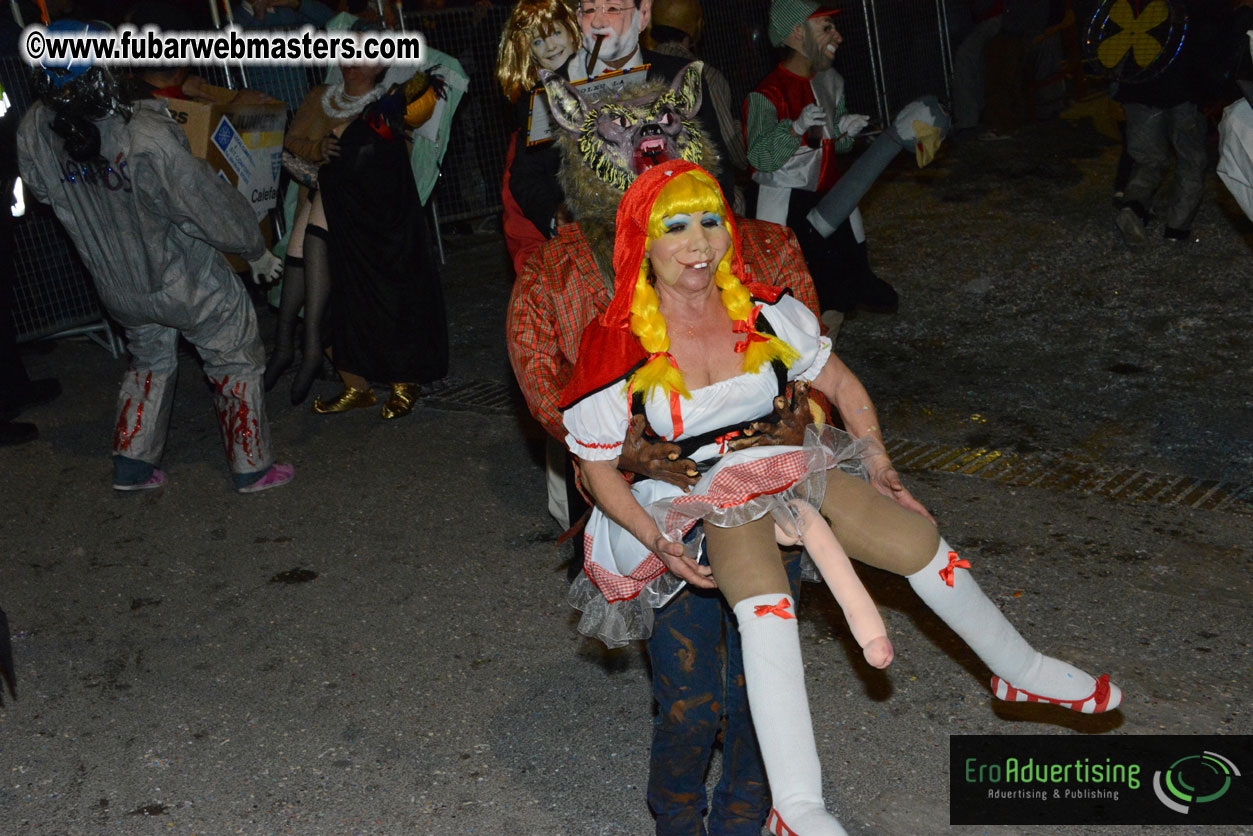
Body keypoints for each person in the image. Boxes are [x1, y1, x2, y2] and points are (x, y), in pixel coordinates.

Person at [562, 160, 1123, 836]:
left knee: (913, 540)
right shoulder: (616, 342)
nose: (698, 243)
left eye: (710, 222)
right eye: (674, 226)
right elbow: (596, 471)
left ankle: (1018, 669)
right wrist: (657, 540)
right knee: (715, 671)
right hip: (678, 499)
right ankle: (793, 808)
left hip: (780, 466)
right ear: (641, 244)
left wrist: (880, 462)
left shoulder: (765, 310)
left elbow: (846, 388)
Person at [508, 68, 834, 833]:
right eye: (620, 140)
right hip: (663, 516)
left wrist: (799, 419)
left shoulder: (761, 248)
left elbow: (810, 364)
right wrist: (628, 452)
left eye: (661, 135)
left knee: (763, 680)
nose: (645, 151)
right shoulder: (556, 275)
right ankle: (676, 816)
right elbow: (544, 385)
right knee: (691, 695)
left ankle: (748, 814)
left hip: (762, 497)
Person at [16, 21, 294, 492]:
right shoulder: (144, 136)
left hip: (117, 284)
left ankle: (132, 464)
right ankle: (253, 466)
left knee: (148, 360)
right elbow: (203, 204)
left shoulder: (36, 128)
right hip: (181, 279)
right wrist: (255, 250)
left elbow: (44, 192)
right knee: (233, 354)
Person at [502, 0, 737, 258]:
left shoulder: (675, 76)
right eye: (591, 10)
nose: (600, 21)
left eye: (614, 9)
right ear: (579, 18)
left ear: (643, 15)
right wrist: (555, 214)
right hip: (595, 254)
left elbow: (718, 166)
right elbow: (526, 177)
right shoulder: (549, 95)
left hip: (684, 246)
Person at [745, 0, 896, 329]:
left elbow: (834, 145)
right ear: (798, 33)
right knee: (796, 298)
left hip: (828, 198)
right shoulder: (767, 93)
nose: (838, 36)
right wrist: (795, 130)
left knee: (836, 294)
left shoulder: (831, 81)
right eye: (826, 27)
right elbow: (758, 157)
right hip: (789, 206)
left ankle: (826, 361)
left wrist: (845, 131)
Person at [308, 70, 450, 418]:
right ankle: (355, 385)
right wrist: (324, 146)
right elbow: (317, 156)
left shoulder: (388, 141)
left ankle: (405, 382)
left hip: (384, 242)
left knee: (393, 309)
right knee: (332, 309)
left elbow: (374, 184)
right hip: (346, 234)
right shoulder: (355, 118)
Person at [266, 61, 388, 405]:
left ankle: (304, 348)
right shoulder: (320, 96)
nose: (351, 63)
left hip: (359, 207)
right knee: (298, 250)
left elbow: (391, 162)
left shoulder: (383, 105)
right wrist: (319, 149)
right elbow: (290, 141)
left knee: (309, 238)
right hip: (319, 195)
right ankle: (288, 345)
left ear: (380, 66)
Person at [495, 0, 580, 275]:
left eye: (556, 33)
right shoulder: (533, 104)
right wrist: (554, 215)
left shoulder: (606, 77)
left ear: (572, 30)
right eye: (538, 43)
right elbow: (524, 175)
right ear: (529, 53)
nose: (551, 47)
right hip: (572, 223)